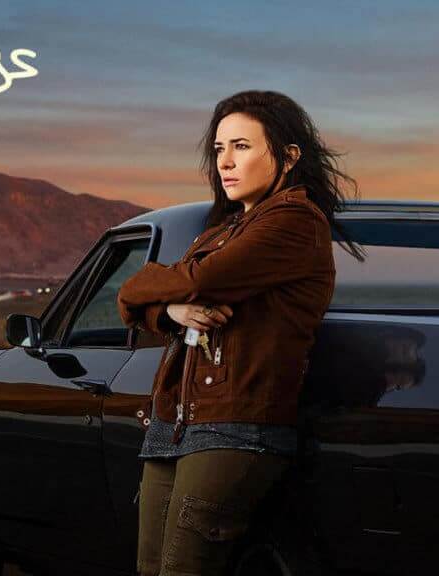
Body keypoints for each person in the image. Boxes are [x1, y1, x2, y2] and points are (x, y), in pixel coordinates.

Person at [117, 89, 365, 576]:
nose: (225, 162)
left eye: (242, 147)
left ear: (289, 156)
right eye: (218, 148)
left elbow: (196, 280)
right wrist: (168, 312)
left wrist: (143, 289)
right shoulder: (222, 229)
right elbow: (161, 298)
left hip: (236, 426)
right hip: (174, 421)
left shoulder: (294, 221)